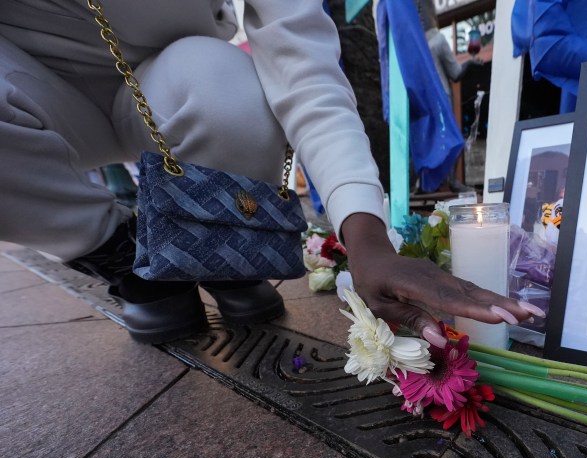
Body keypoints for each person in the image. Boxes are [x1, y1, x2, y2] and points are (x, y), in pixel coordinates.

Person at [0, 0, 542, 345]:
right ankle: (116, 251)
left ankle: (224, 250)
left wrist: (368, 240)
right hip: (25, 89)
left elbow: (303, 69)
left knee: (229, 86)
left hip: (163, 82)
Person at [418, 1, 480, 194]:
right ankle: (452, 180)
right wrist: (470, 64)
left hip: (423, 100)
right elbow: (455, 73)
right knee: (453, 137)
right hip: (441, 96)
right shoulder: (438, 39)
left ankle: (424, 182)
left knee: (426, 139)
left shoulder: (415, 44)